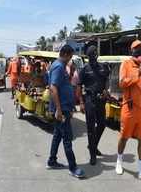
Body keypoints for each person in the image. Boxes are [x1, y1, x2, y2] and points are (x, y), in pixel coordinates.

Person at [115, 40, 141, 185]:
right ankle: (119, 161)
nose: (139, 51)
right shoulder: (125, 64)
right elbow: (121, 83)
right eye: (136, 49)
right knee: (124, 137)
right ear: (131, 51)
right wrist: (137, 74)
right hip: (129, 108)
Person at [46, 45, 85, 178]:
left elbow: (63, 86)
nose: (70, 59)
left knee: (57, 135)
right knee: (67, 138)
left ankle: (52, 160)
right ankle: (73, 167)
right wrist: (58, 109)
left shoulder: (60, 66)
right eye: (70, 56)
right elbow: (53, 88)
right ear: (66, 54)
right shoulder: (58, 66)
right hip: (61, 110)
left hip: (64, 108)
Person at [77, 45, 110, 165]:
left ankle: (93, 145)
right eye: (91, 55)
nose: (93, 56)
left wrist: (106, 89)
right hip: (89, 100)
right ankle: (92, 155)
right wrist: (81, 102)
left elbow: (106, 80)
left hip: (101, 100)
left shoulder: (103, 67)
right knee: (90, 128)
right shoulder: (84, 69)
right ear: (88, 56)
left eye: (95, 54)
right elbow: (79, 85)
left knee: (102, 124)